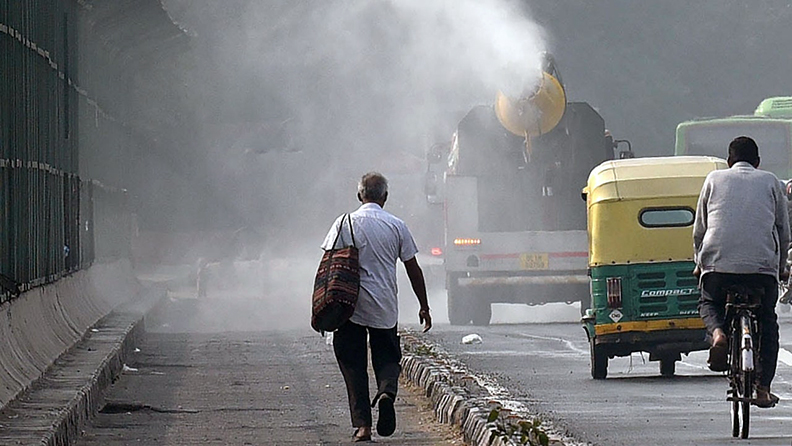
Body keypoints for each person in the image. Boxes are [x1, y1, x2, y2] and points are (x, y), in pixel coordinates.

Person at [321, 172, 432, 442]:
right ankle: (386, 391)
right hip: (384, 304)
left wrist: (322, 307)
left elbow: (327, 264)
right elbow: (413, 269)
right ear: (385, 196)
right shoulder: (397, 225)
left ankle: (363, 427)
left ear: (360, 195)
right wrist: (424, 306)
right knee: (388, 356)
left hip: (350, 305)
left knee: (352, 362)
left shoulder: (344, 223)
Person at [693, 136, 790, 408]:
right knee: (767, 323)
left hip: (718, 266)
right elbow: (784, 231)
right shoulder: (771, 182)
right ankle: (762, 388)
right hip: (762, 270)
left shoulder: (713, 180)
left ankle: (718, 334)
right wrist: (780, 268)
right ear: (757, 163)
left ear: (728, 161)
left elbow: (700, 230)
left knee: (709, 302)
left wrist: (699, 262)